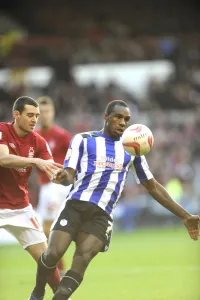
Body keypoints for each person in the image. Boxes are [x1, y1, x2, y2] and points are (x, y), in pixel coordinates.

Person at [29, 100, 200, 300]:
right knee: (52, 255)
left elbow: (152, 186)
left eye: (126, 119)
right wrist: (62, 177)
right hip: (75, 206)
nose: (122, 122)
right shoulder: (83, 140)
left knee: (81, 261)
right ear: (106, 117)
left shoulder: (132, 150)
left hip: (101, 216)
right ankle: (37, 292)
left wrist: (185, 216)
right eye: (118, 117)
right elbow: (69, 174)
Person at [0, 96, 64, 297]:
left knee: (47, 261)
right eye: (30, 115)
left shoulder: (38, 141)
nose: (35, 119)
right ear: (16, 115)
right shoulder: (2, 130)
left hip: (21, 208)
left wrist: (64, 175)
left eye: (36, 116)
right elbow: (3, 158)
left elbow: (52, 171)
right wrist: (36, 161)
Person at [35, 96, 72, 275]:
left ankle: (59, 268)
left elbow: (75, 158)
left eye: (47, 111)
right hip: (45, 187)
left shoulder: (62, 135)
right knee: (47, 229)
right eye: (41, 113)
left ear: (53, 112)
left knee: (49, 228)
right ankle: (59, 267)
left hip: (57, 187)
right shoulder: (34, 136)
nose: (44, 115)